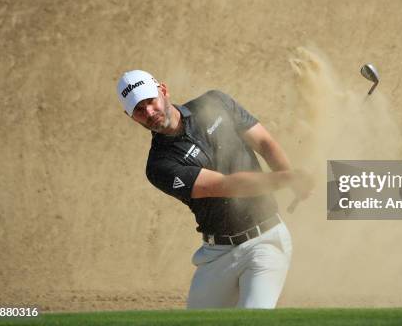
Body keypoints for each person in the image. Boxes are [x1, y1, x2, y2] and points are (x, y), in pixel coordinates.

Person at [116, 69, 313, 309]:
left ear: (164, 91)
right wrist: (287, 179)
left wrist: (290, 180)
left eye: (150, 101)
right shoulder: (159, 165)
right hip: (217, 254)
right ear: (130, 116)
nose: (148, 112)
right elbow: (226, 186)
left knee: (253, 319)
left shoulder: (215, 103)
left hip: (266, 241)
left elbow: (264, 143)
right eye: (138, 109)